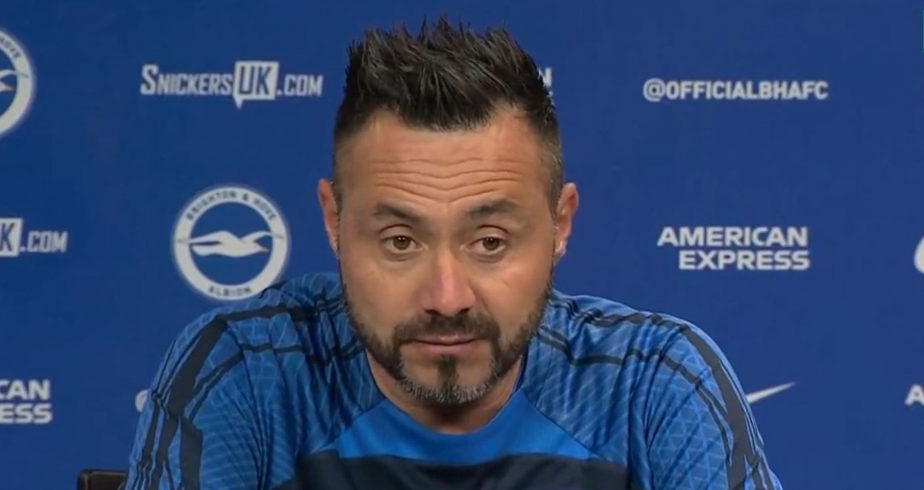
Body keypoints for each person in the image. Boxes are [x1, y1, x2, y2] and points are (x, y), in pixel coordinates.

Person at [123, 19, 781, 490]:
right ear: (334, 221)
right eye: (400, 242)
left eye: (490, 242)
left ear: (560, 224)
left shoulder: (651, 387)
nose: (446, 297)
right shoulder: (248, 376)